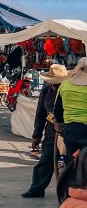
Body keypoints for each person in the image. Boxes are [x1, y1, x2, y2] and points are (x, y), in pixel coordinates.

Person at [22, 64, 68, 198]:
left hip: (67, 130)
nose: (53, 85)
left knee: (70, 161)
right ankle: (37, 188)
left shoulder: (69, 90)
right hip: (50, 131)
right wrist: (36, 135)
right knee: (46, 160)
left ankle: (70, 191)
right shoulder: (46, 91)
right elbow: (41, 114)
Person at [54, 58, 87, 156]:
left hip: (71, 129)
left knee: (71, 161)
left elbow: (58, 111)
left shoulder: (65, 85)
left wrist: (60, 124)